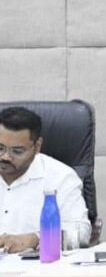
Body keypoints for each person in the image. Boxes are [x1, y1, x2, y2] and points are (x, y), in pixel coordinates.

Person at [0, 107, 90, 252]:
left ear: (37, 147)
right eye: (0, 148)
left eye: (17, 151)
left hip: (34, 264)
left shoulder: (60, 177)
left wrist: (36, 239)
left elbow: (82, 235)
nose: (5, 157)